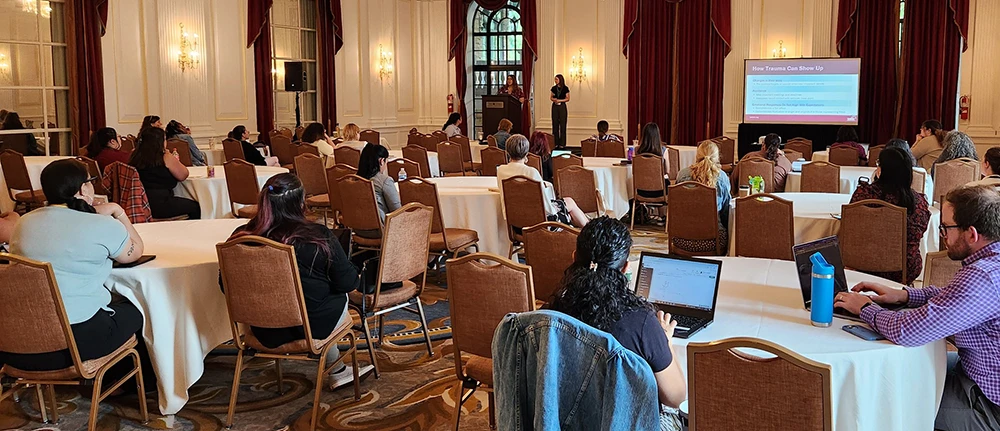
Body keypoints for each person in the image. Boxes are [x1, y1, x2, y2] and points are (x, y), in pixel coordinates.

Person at [834, 185, 1000, 431]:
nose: (943, 235)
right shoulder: (990, 262)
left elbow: (908, 332)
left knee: (882, 396)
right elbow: (951, 298)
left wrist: (865, 308)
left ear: (972, 234)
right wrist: (903, 295)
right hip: (979, 379)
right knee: (899, 371)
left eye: (946, 228)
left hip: (986, 406)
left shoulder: (983, 277)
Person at [2, 159, 149, 377]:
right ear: (83, 188)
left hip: (15, 344)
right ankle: (123, 385)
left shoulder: (25, 223)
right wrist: (118, 211)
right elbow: (135, 252)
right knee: (139, 310)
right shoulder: (102, 225)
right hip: (71, 346)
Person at [224, 173, 369, 385]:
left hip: (261, 330)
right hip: (310, 328)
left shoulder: (240, 237)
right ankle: (337, 370)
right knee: (339, 294)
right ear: (301, 203)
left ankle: (337, 368)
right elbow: (348, 283)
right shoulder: (316, 235)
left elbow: (225, 286)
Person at [549, 216, 686, 430]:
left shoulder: (551, 314)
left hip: (566, 421)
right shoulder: (641, 322)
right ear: (625, 269)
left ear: (574, 257)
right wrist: (666, 340)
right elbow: (675, 397)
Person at [849, 147, 930, 285]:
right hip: (905, 268)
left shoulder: (863, 195)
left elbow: (851, 225)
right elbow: (920, 232)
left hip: (864, 264)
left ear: (882, 170)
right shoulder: (919, 202)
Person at [497, 134, 589, 228]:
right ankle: (590, 231)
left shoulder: (501, 170)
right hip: (539, 224)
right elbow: (547, 208)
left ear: (508, 151)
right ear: (526, 152)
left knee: (568, 203)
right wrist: (557, 208)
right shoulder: (531, 172)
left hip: (515, 222)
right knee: (569, 204)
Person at [129, 127, 201, 219]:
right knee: (195, 207)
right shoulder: (165, 157)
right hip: (160, 204)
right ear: (161, 142)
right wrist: (171, 157)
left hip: (138, 202)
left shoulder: (134, 155)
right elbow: (184, 175)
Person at [677, 140, 731, 250]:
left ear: (697, 155)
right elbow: (726, 212)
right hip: (713, 241)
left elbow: (677, 208)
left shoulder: (682, 175)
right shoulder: (722, 177)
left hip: (681, 239)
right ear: (717, 158)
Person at [357, 143, 400, 223]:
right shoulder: (384, 181)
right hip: (382, 229)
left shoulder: (354, 180)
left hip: (358, 228)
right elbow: (397, 211)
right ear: (381, 161)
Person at [635, 123, 670, 198]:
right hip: (660, 190)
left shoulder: (637, 151)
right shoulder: (663, 150)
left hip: (641, 190)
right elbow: (667, 171)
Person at [550, 74, 570, 149]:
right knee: (555, 124)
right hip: (555, 106)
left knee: (562, 125)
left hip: (562, 106)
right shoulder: (553, 88)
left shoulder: (565, 88)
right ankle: (555, 143)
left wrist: (560, 100)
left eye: (557, 79)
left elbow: (568, 98)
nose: (555, 81)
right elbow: (551, 97)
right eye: (555, 79)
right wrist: (554, 100)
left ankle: (562, 143)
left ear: (560, 80)